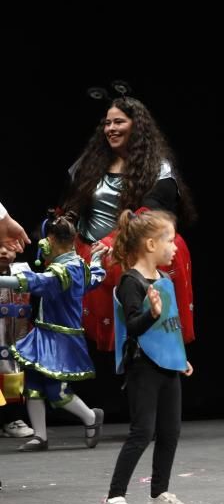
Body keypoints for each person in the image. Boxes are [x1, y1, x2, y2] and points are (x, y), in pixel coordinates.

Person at [62, 91, 195, 353]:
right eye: (108, 123)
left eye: (119, 122)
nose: (111, 128)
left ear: (137, 125)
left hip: (130, 259)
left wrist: (114, 244)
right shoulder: (88, 165)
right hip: (91, 258)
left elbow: (154, 216)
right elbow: (70, 207)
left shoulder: (158, 169)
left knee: (135, 340)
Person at [101, 210, 195, 504]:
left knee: (170, 431)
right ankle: (114, 497)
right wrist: (151, 313)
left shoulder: (164, 279)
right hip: (143, 366)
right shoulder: (132, 281)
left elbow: (171, 325)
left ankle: (159, 494)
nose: (175, 247)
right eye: (170, 240)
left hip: (167, 366)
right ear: (151, 244)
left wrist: (179, 358)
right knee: (142, 431)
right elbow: (133, 326)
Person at [0, 212, 106, 451]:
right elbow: (96, 277)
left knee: (57, 390)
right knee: (33, 384)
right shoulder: (75, 265)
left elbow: (36, 282)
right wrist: (97, 259)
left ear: (53, 241)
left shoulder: (64, 271)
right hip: (46, 333)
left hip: (61, 338)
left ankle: (91, 417)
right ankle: (40, 436)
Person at [0, 244, 34, 438]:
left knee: (14, 377)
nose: (4, 252)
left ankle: (11, 419)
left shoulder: (22, 271)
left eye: (9, 248)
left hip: (16, 336)